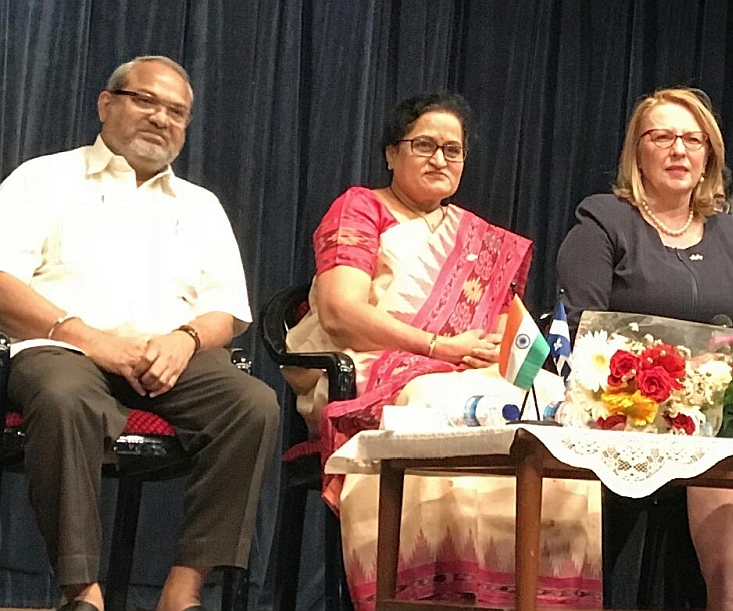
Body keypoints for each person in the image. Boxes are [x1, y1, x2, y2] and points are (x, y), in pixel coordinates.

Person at [283, 92, 601, 610]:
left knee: (550, 401)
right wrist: (439, 346)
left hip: (459, 369)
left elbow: (504, 323)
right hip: (371, 368)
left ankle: (535, 594)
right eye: (424, 145)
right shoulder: (361, 208)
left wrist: (495, 349)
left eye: (452, 150)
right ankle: (433, 590)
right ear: (391, 153)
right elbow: (340, 313)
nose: (439, 159)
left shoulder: (476, 236)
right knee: (438, 401)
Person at [0, 56, 278, 611]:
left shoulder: (200, 206)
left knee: (253, 405)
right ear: (106, 104)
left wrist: (186, 339)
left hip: (169, 356)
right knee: (64, 396)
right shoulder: (43, 178)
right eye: (146, 101)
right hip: (63, 347)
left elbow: (227, 310)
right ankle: (82, 592)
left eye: (177, 111)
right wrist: (91, 340)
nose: (161, 118)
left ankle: (183, 590)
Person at [557, 87, 733, 611]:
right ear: (638, 152)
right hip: (628, 411)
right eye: (662, 137)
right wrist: (677, 371)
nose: (679, 150)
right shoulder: (604, 220)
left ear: (708, 156)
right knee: (725, 448)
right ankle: (723, 599)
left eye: (692, 140)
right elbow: (584, 329)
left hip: (715, 405)